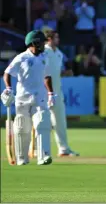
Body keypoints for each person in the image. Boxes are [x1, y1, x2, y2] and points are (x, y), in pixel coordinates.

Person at [1, 30, 56, 165]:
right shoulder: (21, 58)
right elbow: (7, 73)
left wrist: (50, 93)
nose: (44, 44)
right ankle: (21, 158)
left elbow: (47, 76)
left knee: (42, 123)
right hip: (23, 98)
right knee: (21, 127)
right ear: (34, 43)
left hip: (40, 97)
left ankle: (43, 156)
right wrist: (8, 89)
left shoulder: (44, 57)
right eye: (42, 42)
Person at [42, 30, 79, 156]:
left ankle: (63, 149)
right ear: (49, 39)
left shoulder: (58, 53)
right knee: (41, 122)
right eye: (56, 37)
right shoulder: (43, 52)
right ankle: (36, 150)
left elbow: (56, 72)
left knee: (60, 122)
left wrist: (65, 73)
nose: (58, 40)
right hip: (44, 93)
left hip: (57, 92)